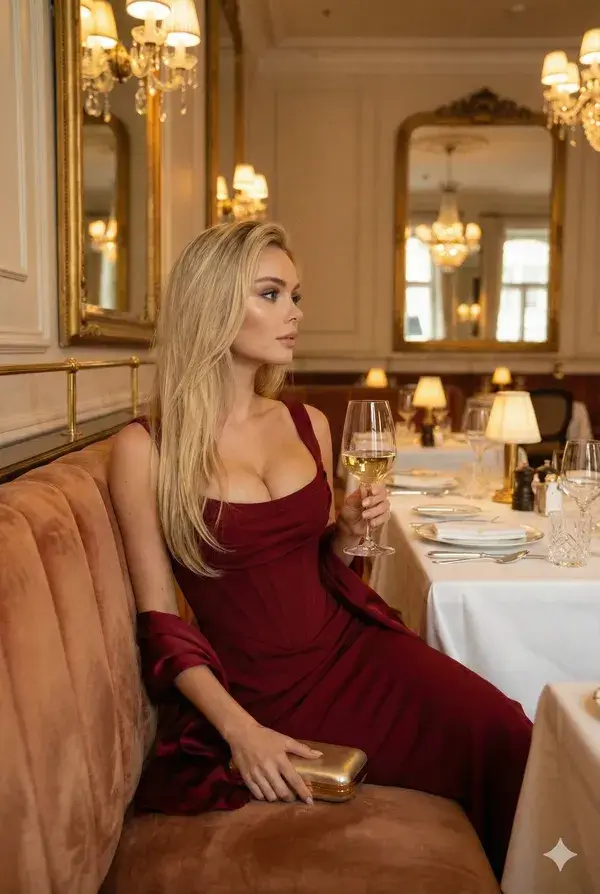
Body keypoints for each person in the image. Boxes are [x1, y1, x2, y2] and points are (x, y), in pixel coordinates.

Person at [108, 220, 531, 880]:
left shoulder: (310, 422)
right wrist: (240, 731)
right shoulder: (146, 449)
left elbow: (318, 564)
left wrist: (351, 532)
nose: (295, 314)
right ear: (213, 302)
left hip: (354, 647)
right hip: (261, 692)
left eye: (297, 296)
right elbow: (161, 624)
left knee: (508, 732)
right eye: (272, 294)